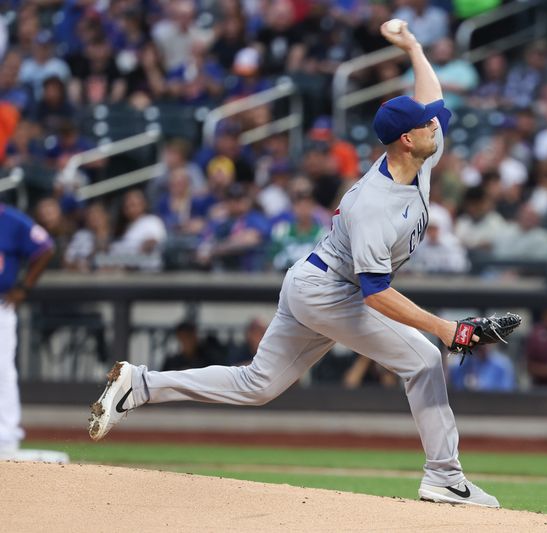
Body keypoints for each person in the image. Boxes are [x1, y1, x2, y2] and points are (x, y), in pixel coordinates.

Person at [88, 21, 499, 509]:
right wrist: (445, 329)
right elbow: (376, 292)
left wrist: (412, 46)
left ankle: (143, 385)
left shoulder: (419, 155)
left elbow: (432, 98)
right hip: (332, 291)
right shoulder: (374, 204)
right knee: (425, 358)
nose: (436, 125)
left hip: (315, 280)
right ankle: (444, 476)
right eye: (425, 125)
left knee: (257, 385)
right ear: (406, 140)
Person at [0, 203, 55, 457]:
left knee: (3, 370)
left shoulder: (10, 219)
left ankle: (6, 435)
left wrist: (24, 287)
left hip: (1, 304)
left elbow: (45, 248)